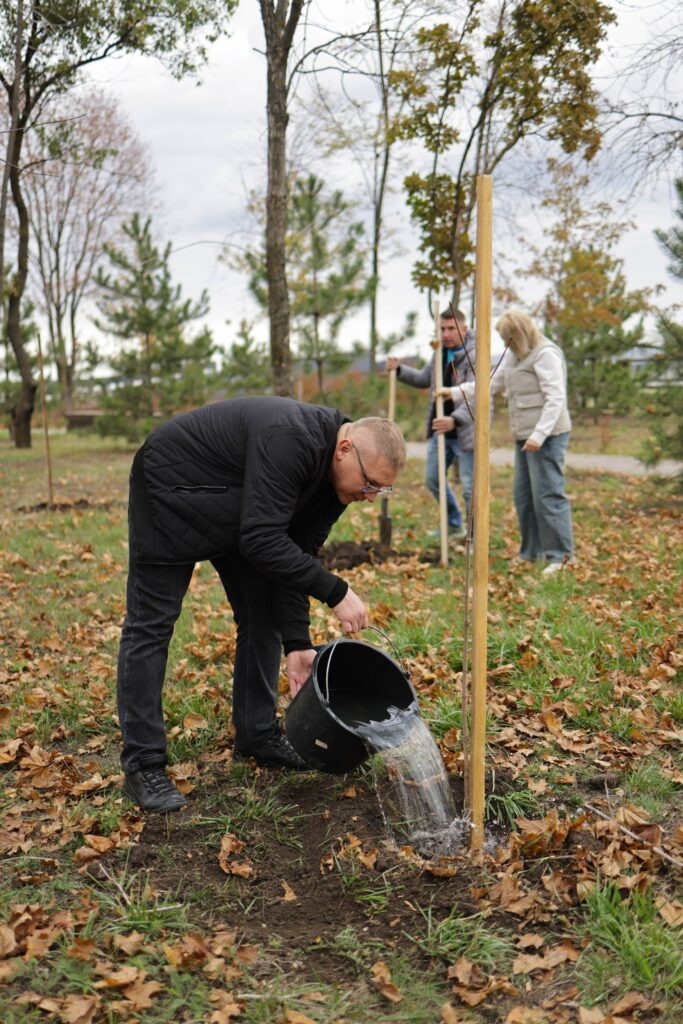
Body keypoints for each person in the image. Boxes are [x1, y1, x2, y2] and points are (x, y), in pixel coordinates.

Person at [117, 396, 406, 812]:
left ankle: (256, 736)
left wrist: (298, 643)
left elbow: (295, 557)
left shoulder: (338, 486)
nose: (371, 495)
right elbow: (261, 539)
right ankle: (143, 765)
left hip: (238, 506)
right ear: (345, 449)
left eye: (380, 489)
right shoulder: (292, 439)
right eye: (370, 483)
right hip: (173, 484)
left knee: (263, 616)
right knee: (151, 625)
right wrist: (336, 592)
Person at [437, 309, 574, 574]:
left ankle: (561, 557)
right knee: (524, 496)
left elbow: (556, 398)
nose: (504, 343)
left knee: (548, 494)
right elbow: (489, 384)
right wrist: (453, 392)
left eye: (507, 337)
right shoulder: (513, 356)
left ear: (519, 334)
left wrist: (539, 435)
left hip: (547, 436)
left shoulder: (545, 354)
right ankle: (531, 552)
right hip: (525, 437)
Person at [387, 308, 476, 539]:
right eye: (442, 329)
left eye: (451, 329)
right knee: (433, 479)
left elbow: (477, 398)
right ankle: (454, 524)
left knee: (470, 488)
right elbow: (424, 378)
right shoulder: (439, 352)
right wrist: (400, 370)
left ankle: (475, 538)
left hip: (467, 432)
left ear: (464, 329)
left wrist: (454, 420)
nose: (445, 334)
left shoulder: (475, 355)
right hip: (441, 430)